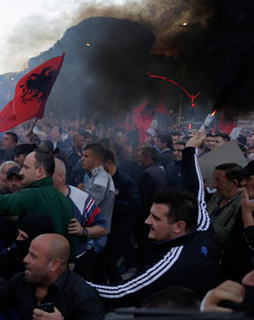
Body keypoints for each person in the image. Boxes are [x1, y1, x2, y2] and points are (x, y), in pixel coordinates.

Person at [88, 131, 222, 307]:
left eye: (156, 218)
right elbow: (196, 190)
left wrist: (67, 283)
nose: (147, 221)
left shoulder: (173, 260)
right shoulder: (203, 229)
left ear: (178, 226)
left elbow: (120, 292)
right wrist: (189, 151)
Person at [52, 158, 107, 278]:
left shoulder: (82, 199)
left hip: (78, 265)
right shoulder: (37, 197)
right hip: (47, 266)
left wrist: (83, 230)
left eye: (48, 175)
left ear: (60, 177)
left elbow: (103, 228)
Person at [92, 149, 140, 283]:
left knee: (100, 265)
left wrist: (111, 201)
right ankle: (116, 291)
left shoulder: (124, 181)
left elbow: (134, 205)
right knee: (109, 265)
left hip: (119, 232)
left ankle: (107, 295)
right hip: (105, 229)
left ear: (108, 163)